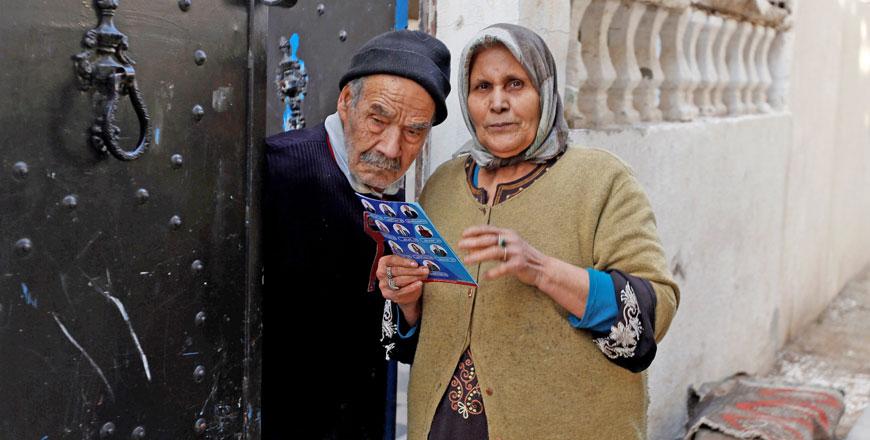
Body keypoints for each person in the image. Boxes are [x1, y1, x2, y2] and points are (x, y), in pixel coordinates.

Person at [375, 24, 679, 440]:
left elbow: (651, 312)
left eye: (515, 84)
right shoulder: (442, 184)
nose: (497, 103)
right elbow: (414, 337)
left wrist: (541, 269)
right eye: (483, 86)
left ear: (545, 91)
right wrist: (407, 300)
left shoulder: (600, 180)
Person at [262, 29, 451, 439]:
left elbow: (394, 345)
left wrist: (409, 308)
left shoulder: (399, 204)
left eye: (414, 131)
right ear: (346, 102)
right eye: (378, 119)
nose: (390, 147)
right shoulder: (274, 170)